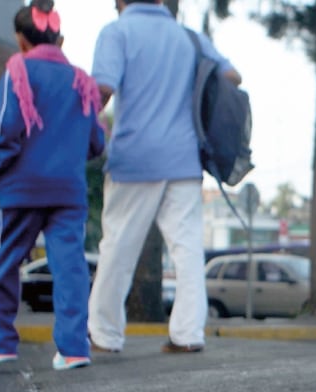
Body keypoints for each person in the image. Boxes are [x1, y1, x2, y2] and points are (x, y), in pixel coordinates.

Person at [87, 0, 242, 354]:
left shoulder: (117, 31)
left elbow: (102, 90)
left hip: (135, 159)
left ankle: (105, 335)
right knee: (186, 250)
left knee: (118, 249)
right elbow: (232, 76)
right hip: (185, 159)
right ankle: (188, 335)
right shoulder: (188, 37)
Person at [0, 0, 105, 370]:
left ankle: (0, 343)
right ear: (58, 38)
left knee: (3, 261)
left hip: (23, 188)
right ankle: (74, 349)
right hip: (68, 190)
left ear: (20, 38)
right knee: (70, 267)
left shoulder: (18, 71)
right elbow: (96, 141)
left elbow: (7, 130)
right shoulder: (81, 80)